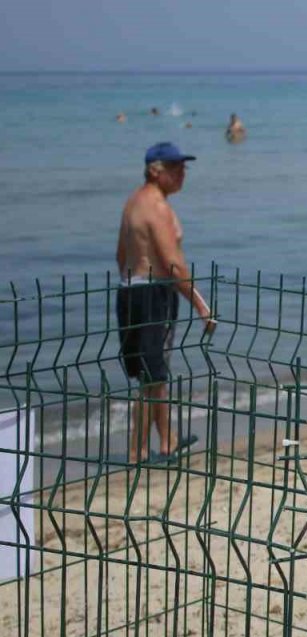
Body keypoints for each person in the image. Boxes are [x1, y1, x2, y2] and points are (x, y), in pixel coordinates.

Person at [115, 142, 216, 464]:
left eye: (183, 167)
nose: (182, 174)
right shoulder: (157, 207)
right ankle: (138, 452)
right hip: (153, 293)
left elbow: (120, 254)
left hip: (130, 290)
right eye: (175, 168)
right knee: (153, 377)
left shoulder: (133, 202)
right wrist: (201, 304)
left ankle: (168, 441)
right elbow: (173, 264)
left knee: (152, 375)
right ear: (155, 170)